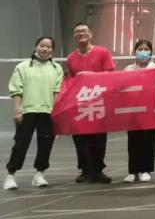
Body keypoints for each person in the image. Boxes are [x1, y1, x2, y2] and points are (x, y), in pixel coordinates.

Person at [4, 37, 63, 191]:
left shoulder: (57, 68)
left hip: (47, 112)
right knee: (21, 143)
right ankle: (11, 175)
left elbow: (57, 91)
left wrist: (55, 112)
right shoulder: (22, 67)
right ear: (36, 46)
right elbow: (16, 89)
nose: (45, 49)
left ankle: (39, 174)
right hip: (27, 111)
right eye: (42, 45)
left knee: (46, 144)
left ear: (52, 50)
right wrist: (17, 110)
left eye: (48, 47)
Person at [66, 21, 114, 184]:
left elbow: (109, 74)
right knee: (80, 138)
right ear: (74, 37)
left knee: (99, 137)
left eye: (84, 30)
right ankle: (85, 170)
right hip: (79, 103)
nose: (81, 33)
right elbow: (70, 81)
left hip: (99, 101)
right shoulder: (71, 58)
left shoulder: (103, 52)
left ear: (91, 34)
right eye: (77, 32)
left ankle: (98, 170)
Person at [123, 39, 155, 183]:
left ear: (151, 52)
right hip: (133, 110)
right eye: (140, 49)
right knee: (133, 141)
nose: (143, 52)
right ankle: (133, 171)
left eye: (146, 49)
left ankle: (146, 170)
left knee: (148, 140)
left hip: (150, 111)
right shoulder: (128, 69)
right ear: (134, 52)